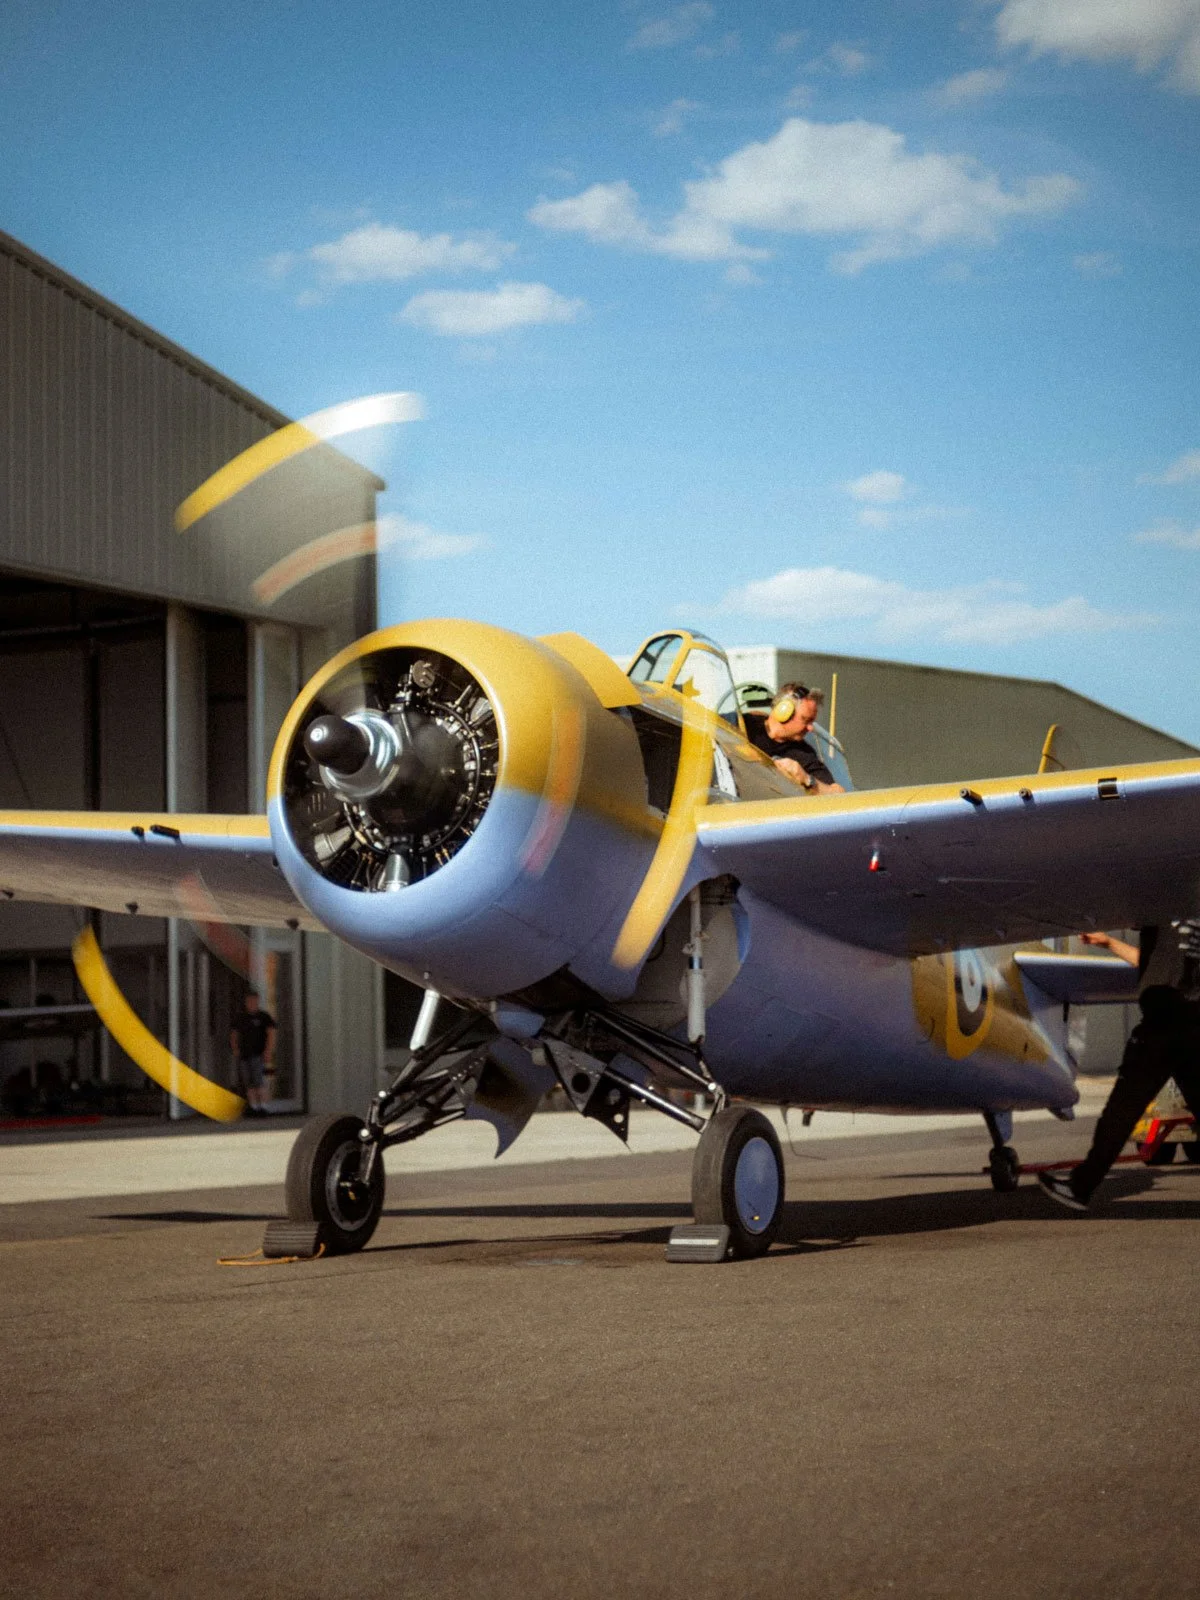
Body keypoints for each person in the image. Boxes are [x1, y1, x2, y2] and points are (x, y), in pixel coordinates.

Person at [1039, 921, 1200, 1209]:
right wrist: (1109, 943)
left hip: (1163, 1020)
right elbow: (1150, 963)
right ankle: (1080, 1186)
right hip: (1194, 1020)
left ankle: (1080, 1187)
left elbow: (1153, 966)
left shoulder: (1164, 904)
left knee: (1122, 1110)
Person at [748, 683, 845, 794]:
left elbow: (838, 794)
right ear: (783, 711)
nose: (810, 728)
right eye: (805, 720)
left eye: (812, 722)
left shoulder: (804, 754)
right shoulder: (741, 723)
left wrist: (807, 779)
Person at [230, 990, 277, 1117]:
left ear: (257, 1001)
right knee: (248, 1082)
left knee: (259, 1081)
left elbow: (271, 1034)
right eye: (249, 1001)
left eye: (254, 1001)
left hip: (258, 1054)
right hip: (244, 1055)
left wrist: (268, 1051)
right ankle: (254, 1107)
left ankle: (264, 1107)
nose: (251, 1003)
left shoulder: (264, 1017)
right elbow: (234, 1034)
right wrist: (235, 1049)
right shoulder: (241, 1018)